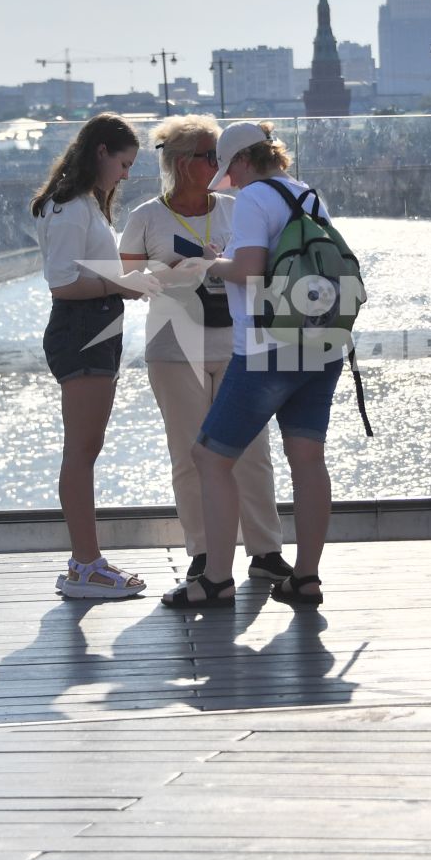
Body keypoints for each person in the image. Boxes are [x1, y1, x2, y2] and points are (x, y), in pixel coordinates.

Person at [161, 122, 339, 609]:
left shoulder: (256, 198)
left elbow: (250, 271)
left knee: (211, 458)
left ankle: (216, 578)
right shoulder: (307, 195)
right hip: (321, 345)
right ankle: (306, 577)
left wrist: (210, 264)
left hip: (266, 349)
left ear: (242, 161)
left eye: (228, 169)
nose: (229, 181)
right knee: (307, 459)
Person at [120, 115, 289, 583]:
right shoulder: (146, 217)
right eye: (207, 156)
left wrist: (221, 264)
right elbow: (126, 283)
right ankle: (203, 554)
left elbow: (268, 266)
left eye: (220, 155)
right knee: (190, 456)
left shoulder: (238, 207)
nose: (218, 163)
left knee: (253, 452)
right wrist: (173, 272)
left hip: (240, 345)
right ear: (178, 162)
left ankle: (265, 550)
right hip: (175, 350)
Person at [33, 113, 147, 599]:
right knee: (81, 452)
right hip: (82, 330)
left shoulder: (82, 205)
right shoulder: (70, 206)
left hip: (95, 328)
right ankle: (85, 566)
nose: (125, 175)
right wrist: (119, 284)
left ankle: (86, 563)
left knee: (85, 449)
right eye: (123, 164)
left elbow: (89, 271)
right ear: (101, 151)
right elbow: (62, 283)